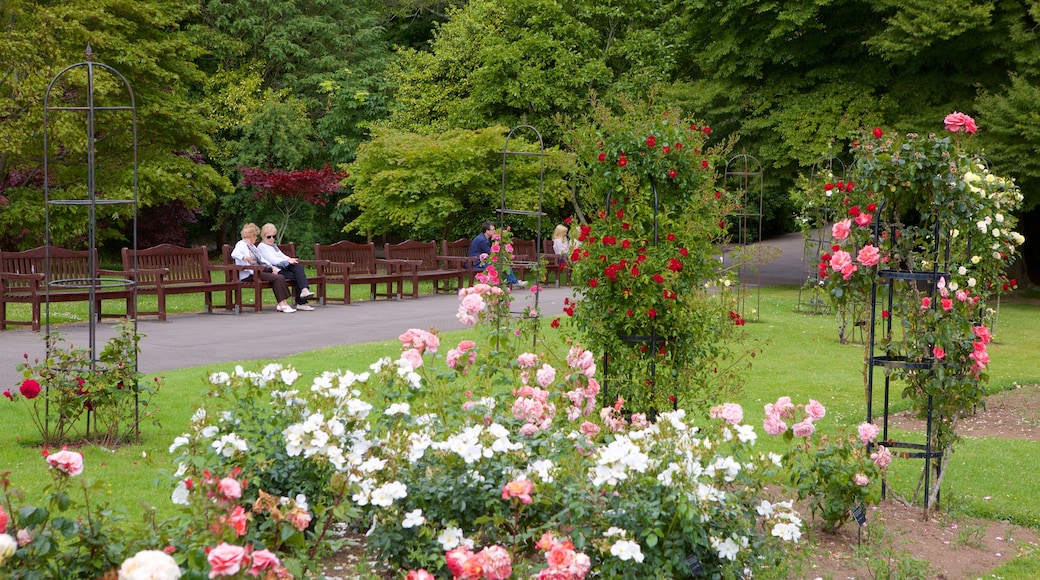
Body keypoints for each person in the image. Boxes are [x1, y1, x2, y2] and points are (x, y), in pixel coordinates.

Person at [231, 223, 297, 313]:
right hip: (248, 274)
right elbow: (234, 254)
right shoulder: (241, 244)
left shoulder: (253, 247)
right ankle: (282, 304)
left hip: (256, 272)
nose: (256, 238)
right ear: (252, 236)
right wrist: (245, 257)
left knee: (279, 276)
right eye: (256, 236)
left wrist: (271, 267)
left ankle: (283, 303)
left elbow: (261, 259)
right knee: (277, 278)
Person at [256, 223, 315, 311]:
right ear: (263, 236)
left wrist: (290, 259)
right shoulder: (262, 247)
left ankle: (304, 291)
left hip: (282, 267)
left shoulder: (273, 246)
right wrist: (287, 261)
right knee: (297, 275)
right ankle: (302, 302)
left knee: (298, 267)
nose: (272, 239)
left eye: (273, 236)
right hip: (274, 270)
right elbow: (272, 260)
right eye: (269, 237)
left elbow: (282, 255)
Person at [467, 221, 526, 287]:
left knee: (502, 261)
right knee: (501, 262)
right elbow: (491, 253)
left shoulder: (484, 238)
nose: (494, 231)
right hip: (476, 263)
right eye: (493, 229)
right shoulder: (482, 240)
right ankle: (512, 281)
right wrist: (496, 244)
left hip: (480, 261)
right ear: (487, 231)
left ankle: (511, 280)